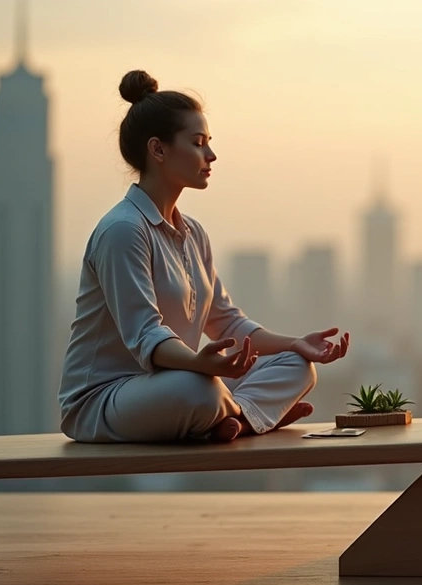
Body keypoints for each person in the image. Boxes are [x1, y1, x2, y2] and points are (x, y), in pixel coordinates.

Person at [57, 69, 349, 444]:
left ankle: (237, 420)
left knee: (298, 368)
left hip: (169, 384)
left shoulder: (193, 233)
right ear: (158, 150)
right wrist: (199, 364)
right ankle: (253, 415)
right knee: (199, 390)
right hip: (104, 400)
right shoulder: (123, 230)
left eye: (209, 142)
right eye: (197, 143)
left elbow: (227, 324)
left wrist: (294, 343)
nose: (210, 155)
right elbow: (145, 335)